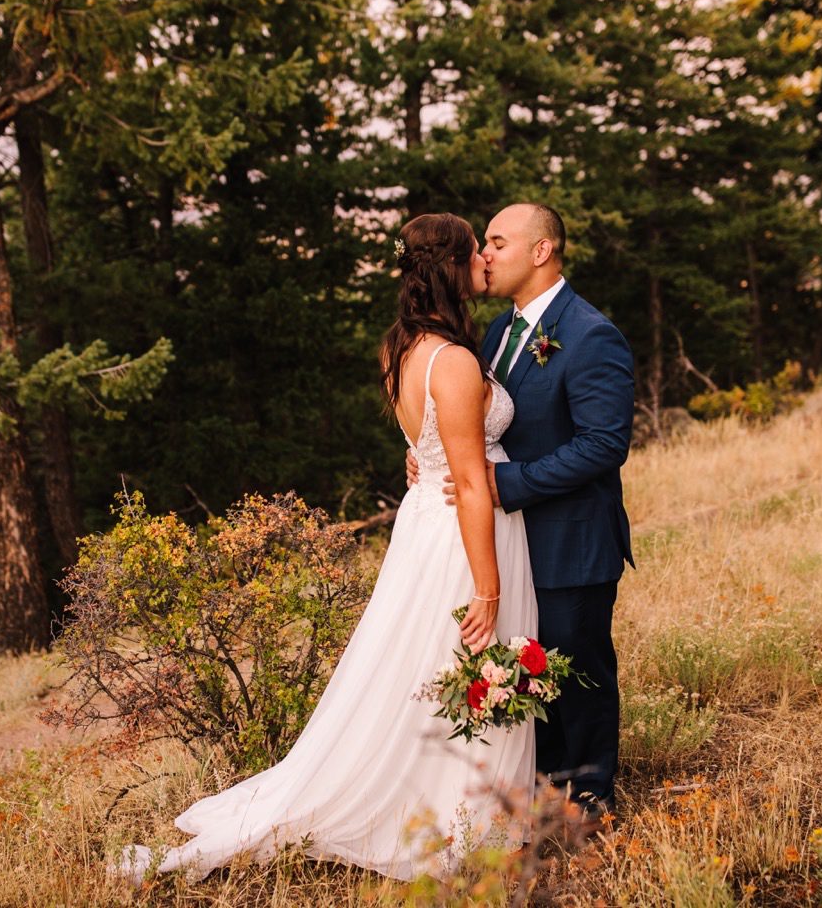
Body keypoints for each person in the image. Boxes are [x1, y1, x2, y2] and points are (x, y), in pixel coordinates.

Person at [113, 212, 538, 883]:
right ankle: (458, 814)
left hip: (425, 525)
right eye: (474, 253)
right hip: (461, 537)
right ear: (451, 268)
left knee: (427, 673)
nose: (485, 261)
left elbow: (426, 446)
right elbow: (467, 480)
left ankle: (469, 803)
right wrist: (488, 586)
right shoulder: (452, 360)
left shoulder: (401, 348)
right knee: (467, 661)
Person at [409, 202, 634, 815]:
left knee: (577, 674)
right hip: (509, 540)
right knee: (531, 678)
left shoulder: (591, 334)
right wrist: (436, 459)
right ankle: (539, 798)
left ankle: (590, 800)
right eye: (482, 244)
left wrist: (506, 483)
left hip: (570, 539)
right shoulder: (497, 332)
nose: (484, 254)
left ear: (541, 251)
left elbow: (604, 444)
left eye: (497, 243)